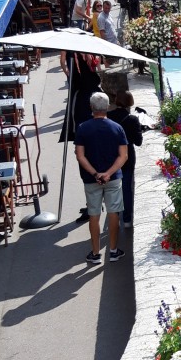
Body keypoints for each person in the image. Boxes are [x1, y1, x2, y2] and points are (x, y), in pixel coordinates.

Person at [74, 92, 127, 264]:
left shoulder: (82, 128)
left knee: (94, 214)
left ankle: (95, 253)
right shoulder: (117, 128)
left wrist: (96, 174)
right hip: (113, 178)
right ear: (107, 107)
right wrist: (108, 173)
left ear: (91, 108)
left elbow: (80, 156)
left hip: (91, 179)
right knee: (113, 213)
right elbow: (123, 156)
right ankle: (112, 250)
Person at [107, 90, 143, 227]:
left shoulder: (108, 116)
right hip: (127, 158)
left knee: (112, 188)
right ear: (130, 103)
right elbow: (138, 141)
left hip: (111, 157)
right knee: (126, 188)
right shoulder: (132, 119)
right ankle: (127, 219)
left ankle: (114, 217)